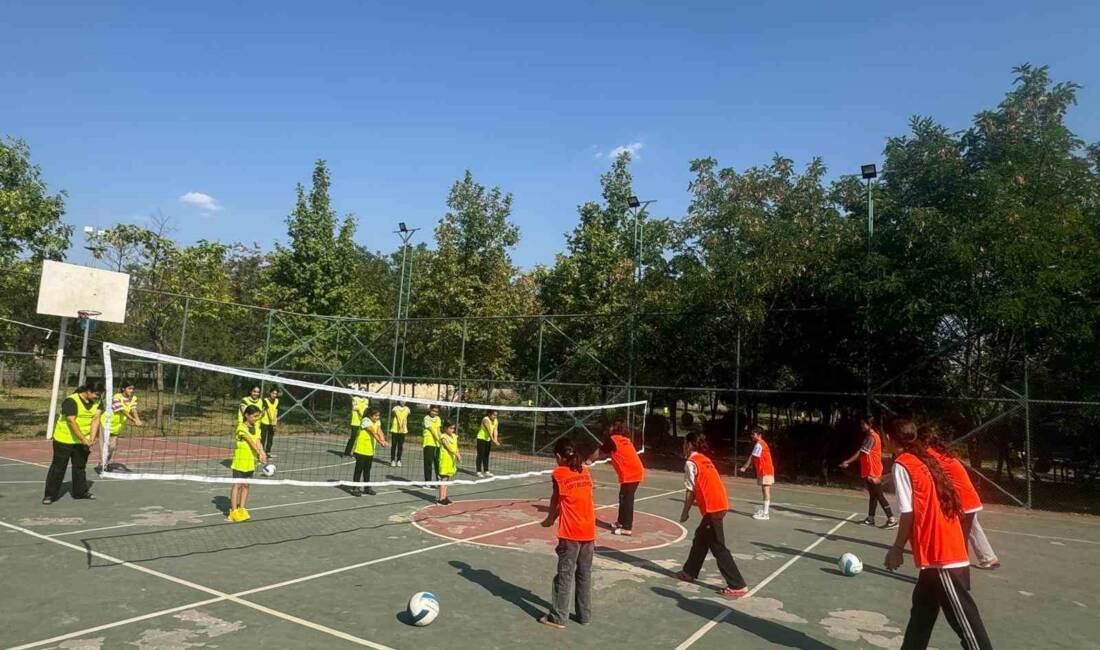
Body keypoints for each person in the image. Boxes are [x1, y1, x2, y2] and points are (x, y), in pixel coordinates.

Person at [884, 419, 994, 649]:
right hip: (938, 552)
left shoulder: (903, 464)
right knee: (922, 613)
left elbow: (908, 513)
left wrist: (896, 549)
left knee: (966, 623)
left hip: (941, 555)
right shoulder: (922, 459)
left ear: (889, 439)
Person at [675, 432, 749, 598]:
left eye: (684, 443)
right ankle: (689, 572)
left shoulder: (691, 462)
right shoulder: (704, 459)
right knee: (701, 539)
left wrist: (685, 512)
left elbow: (690, 492)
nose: (683, 446)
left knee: (718, 546)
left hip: (713, 507)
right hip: (720, 503)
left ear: (689, 445)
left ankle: (738, 585)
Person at [918, 426, 1001, 570]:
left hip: (962, 501)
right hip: (969, 498)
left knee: (959, 537)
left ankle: (958, 571)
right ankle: (988, 558)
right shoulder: (942, 452)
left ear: (923, 441)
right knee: (973, 527)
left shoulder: (930, 455)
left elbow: (919, 472)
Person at [538, 437, 596, 629]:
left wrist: (549, 520)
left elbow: (555, 500)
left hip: (571, 533)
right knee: (584, 574)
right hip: (589, 532)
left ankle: (558, 617)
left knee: (564, 576)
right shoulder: (585, 472)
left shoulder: (559, 474)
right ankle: (584, 615)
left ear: (558, 456)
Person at [44, 383, 102, 504]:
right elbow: (71, 421)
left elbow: (96, 419)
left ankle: (80, 492)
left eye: (100, 394)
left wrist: (92, 437)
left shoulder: (98, 402)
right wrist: (83, 439)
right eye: (96, 394)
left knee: (80, 467)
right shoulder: (71, 400)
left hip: (82, 441)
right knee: (58, 468)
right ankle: (50, 495)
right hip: (64, 439)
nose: (98, 396)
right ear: (88, 390)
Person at [841, 416, 898, 528]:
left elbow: (861, 452)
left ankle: (891, 519)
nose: (861, 426)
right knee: (873, 495)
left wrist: (848, 461)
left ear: (870, 425)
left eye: (863, 424)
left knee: (879, 495)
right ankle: (870, 518)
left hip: (873, 470)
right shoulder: (870, 436)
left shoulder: (871, 437)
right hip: (870, 469)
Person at [595, 420, 645, 536]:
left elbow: (599, 452)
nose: (609, 428)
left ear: (615, 429)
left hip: (632, 474)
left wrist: (588, 460)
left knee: (627, 499)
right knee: (622, 497)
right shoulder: (624, 439)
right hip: (633, 472)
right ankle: (620, 522)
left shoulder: (613, 439)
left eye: (611, 426)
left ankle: (627, 528)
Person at [228, 405, 267, 522]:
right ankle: (233, 511)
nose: (256, 418)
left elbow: (258, 441)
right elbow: (250, 441)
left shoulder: (257, 427)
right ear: (247, 415)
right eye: (254, 416)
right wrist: (259, 452)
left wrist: (263, 453)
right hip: (240, 461)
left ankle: (242, 508)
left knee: (246, 485)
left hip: (251, 462)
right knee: (237, 485)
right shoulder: (241, 427)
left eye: (258, 416)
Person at [101, 380, 143, 471]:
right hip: (106, 423)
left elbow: (133, 409)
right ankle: (103, 463)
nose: (131, 391)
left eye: (132, 389)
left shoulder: (133, 398)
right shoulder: (117, 396)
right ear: (124, 388)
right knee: (105, 445)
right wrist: (133, 420)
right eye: (129, 388)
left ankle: (105, 463)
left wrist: (138, 419)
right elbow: (122, 410)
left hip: (117, 426)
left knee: (112, 446)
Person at [738, 425, 775, 520]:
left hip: (766, 470)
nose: (752, 435)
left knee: (766, 490)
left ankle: (766, 514)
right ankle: (764, 511)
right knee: (764, 490)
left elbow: (753, 456)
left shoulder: (760, 444)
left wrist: (744, 467)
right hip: (764, 470)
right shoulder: (761, 443)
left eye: (753, 434)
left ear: (759, 435)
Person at [351, 409, 388, 496]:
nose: (377, 417)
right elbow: (372, 432)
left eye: (378, 416)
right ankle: (355, 488)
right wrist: (380, 442)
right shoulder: (365, 420)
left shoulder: (377, 421)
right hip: (361, 449)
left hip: (370, 450)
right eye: (375, 416)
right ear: (370, 415)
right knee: (359, 469)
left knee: (367, 470)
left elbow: (379, 431)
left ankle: (367, 488)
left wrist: (383, 440)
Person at [436, 422, 461, 505]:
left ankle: (445, 497)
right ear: (445, 428)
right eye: (450, 428)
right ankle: (440, 499)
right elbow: (448, 447)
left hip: (451, 460)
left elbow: (456, 446)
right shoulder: (443, 437)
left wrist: (458, 454)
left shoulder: (454, 436)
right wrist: (456, 453)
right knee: (443, 479)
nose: (452, 430)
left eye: (453, 428)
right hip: (445, 460)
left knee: (447, 479)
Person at [344, 384, 369, 458]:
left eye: (364, 391)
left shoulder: (366, 401)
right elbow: (355, 408)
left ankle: (356, 453)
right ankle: (346, 453)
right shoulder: (355, 398)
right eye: (361, 390)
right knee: (353, 437)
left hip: (363, 422)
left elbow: (366, 410)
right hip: (355, 421)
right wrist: (360, 412)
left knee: (360, 438)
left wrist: (363, 415)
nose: (363, 392)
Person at [475, 410, 500, 478]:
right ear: (489, 414)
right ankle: (478, 472)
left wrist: (496, 439)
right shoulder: (485, 419)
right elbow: (489, 430)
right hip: (481, 438)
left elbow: (495, 430)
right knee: (480, 455)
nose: (495, 416)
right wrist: (493, 440)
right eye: (494, 415)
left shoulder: (496, 420)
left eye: (496, 415)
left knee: (486, 455)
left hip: (488, 440)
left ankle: (486, 471)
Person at [422, 405, 442, 483]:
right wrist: (439, 439)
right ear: (430, 410)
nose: (434, 413)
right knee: (428, 463)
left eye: (436, 411)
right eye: (433, 411)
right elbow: (432, 431)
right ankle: (428, 482)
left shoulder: (438, 419)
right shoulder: (426, 418)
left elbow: (438, 430)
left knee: (437, 463)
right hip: (428, 443)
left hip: (437, 444)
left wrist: (442, 440)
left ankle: (438, 481)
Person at [260, 387, 280, 458]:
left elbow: (276, 412)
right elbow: (268, 411)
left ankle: (267, 453)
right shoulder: (265, 400)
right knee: (263, 438)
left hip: (272, 423)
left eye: (276, 394)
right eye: (273, 393)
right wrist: (272, 422)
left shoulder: (277, 401)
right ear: (270, 393)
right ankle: (260, 454)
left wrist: (275, 423)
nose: (274, 395)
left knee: (270, 439)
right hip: (264, 422)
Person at [389, 400, 410, 467]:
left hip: (403, 430)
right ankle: (392, 460)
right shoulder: (395, 408)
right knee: (394, 445)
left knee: (400, 446)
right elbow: (397, 416)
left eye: (404, 401)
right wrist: (399, 425)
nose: (403, 402)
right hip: (395, 429)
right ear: (399, 401)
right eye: (401, 401)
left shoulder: (407, 409)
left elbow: (406, 417)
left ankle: (399, 460)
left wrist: (402, 426)